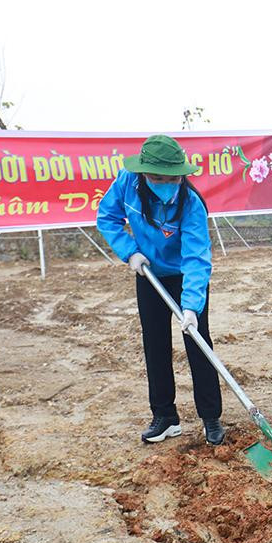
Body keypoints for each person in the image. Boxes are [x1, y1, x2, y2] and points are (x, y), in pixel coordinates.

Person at [96, 135, 225, 445]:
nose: (166, 183)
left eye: (173, 178)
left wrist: (192, 306)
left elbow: (196, 257)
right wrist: (129, 252)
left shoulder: (191, 204)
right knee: (155, 344)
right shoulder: (127, 183)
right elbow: (107, 217)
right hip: (149, 272)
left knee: (197, 341)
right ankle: (165, 416)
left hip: (184, 275)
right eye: (158, 178)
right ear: (143, 173)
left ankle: (211, 417)